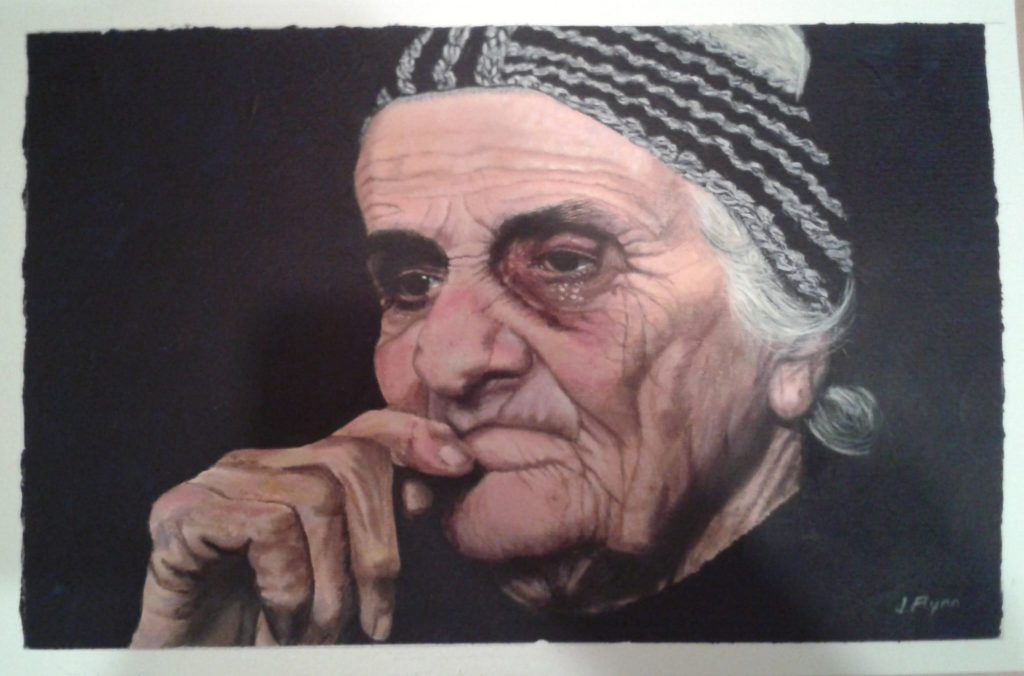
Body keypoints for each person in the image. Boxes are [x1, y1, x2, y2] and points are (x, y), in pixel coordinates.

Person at [130, 25, 878, 648]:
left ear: (796, 344)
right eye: (412, 284)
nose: (447, 362)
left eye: (565, 263)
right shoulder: (343, 625)